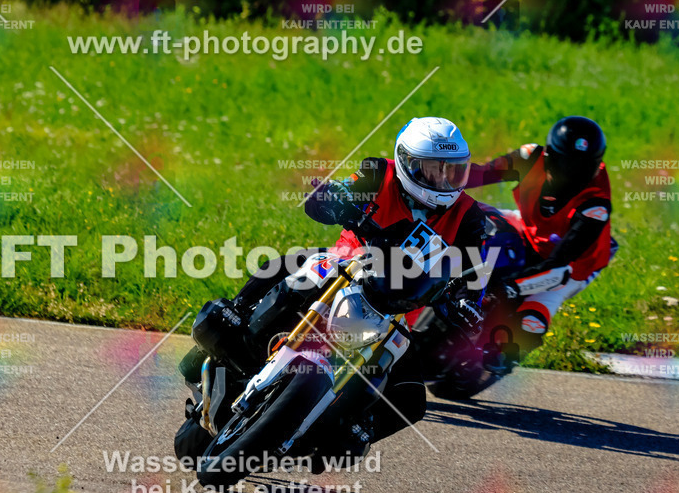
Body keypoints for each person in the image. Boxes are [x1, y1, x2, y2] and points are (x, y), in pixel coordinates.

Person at [229, 117, 491, 450]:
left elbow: (475, 269)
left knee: (411, 401)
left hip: (396, 312)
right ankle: (236, 315)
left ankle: (344, 435)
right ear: (407, 162)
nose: (443, 179)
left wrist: (469, 303)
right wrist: (331, 197)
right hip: (347, 265)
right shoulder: (377, 172)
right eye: (433, 169)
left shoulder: (469, 214)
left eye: (452, 171)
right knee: (285, 265)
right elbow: (341, 191)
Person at [466, 115, 616, 366]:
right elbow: (480, 175)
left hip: (575, 264)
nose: (574, 177)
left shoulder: (596, 204)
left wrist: (509, 288)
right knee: (468, 220)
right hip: (528, 227)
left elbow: (559, 264)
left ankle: (510, 352)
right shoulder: (529, 158)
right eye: (568, 167)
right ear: (549, 157)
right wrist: (439, 178)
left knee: (535, 314)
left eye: (584, 168)